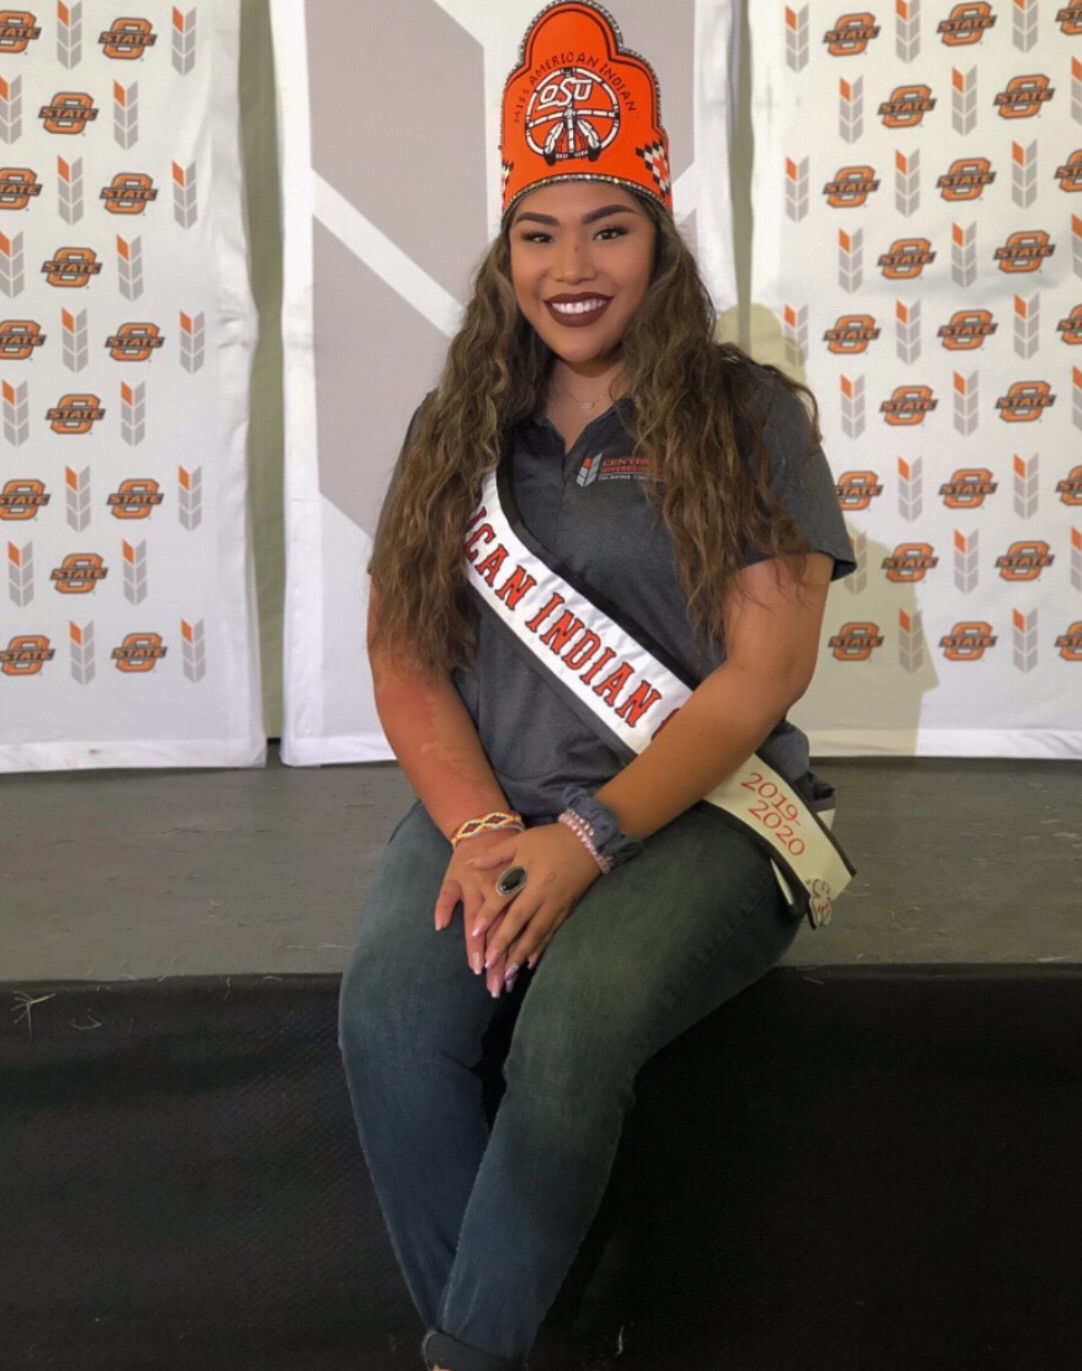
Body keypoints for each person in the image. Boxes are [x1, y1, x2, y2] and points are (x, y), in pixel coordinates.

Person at [338, 4, 855, 1369]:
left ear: (660, 241)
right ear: (505, 251)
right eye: (538, 232)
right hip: (495, 810)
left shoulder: (751, 418)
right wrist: (478, 832)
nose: (572, 268)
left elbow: (759, 681)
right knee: (390, 1019)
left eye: (607, 228)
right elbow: (402, 653)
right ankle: (533, 1341)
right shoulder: (459, 424)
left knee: (569, 1031)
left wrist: (588, 839)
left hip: (704, 817)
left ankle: (469, 1355)